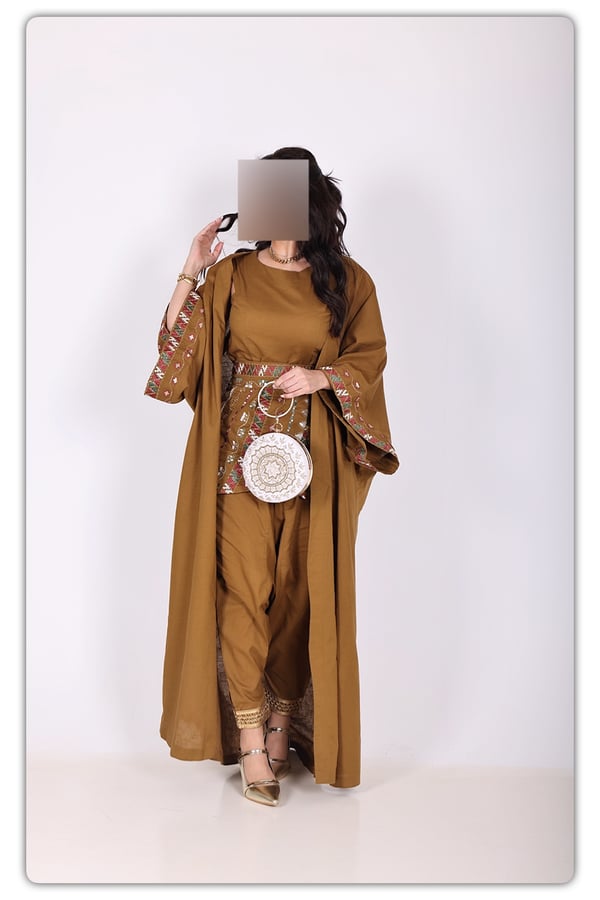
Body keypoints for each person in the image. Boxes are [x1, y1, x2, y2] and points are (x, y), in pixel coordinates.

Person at [144, 147, 400, 806]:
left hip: (315, 460)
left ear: (309, 201)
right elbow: (178, 353)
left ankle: (284, 722)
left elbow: (369, 358)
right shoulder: (231, 274)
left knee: (297, 595)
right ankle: (252, 739)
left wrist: (321, 376)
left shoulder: (346, 280)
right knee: (243, 592)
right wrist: (191, 268)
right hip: (237, 458)